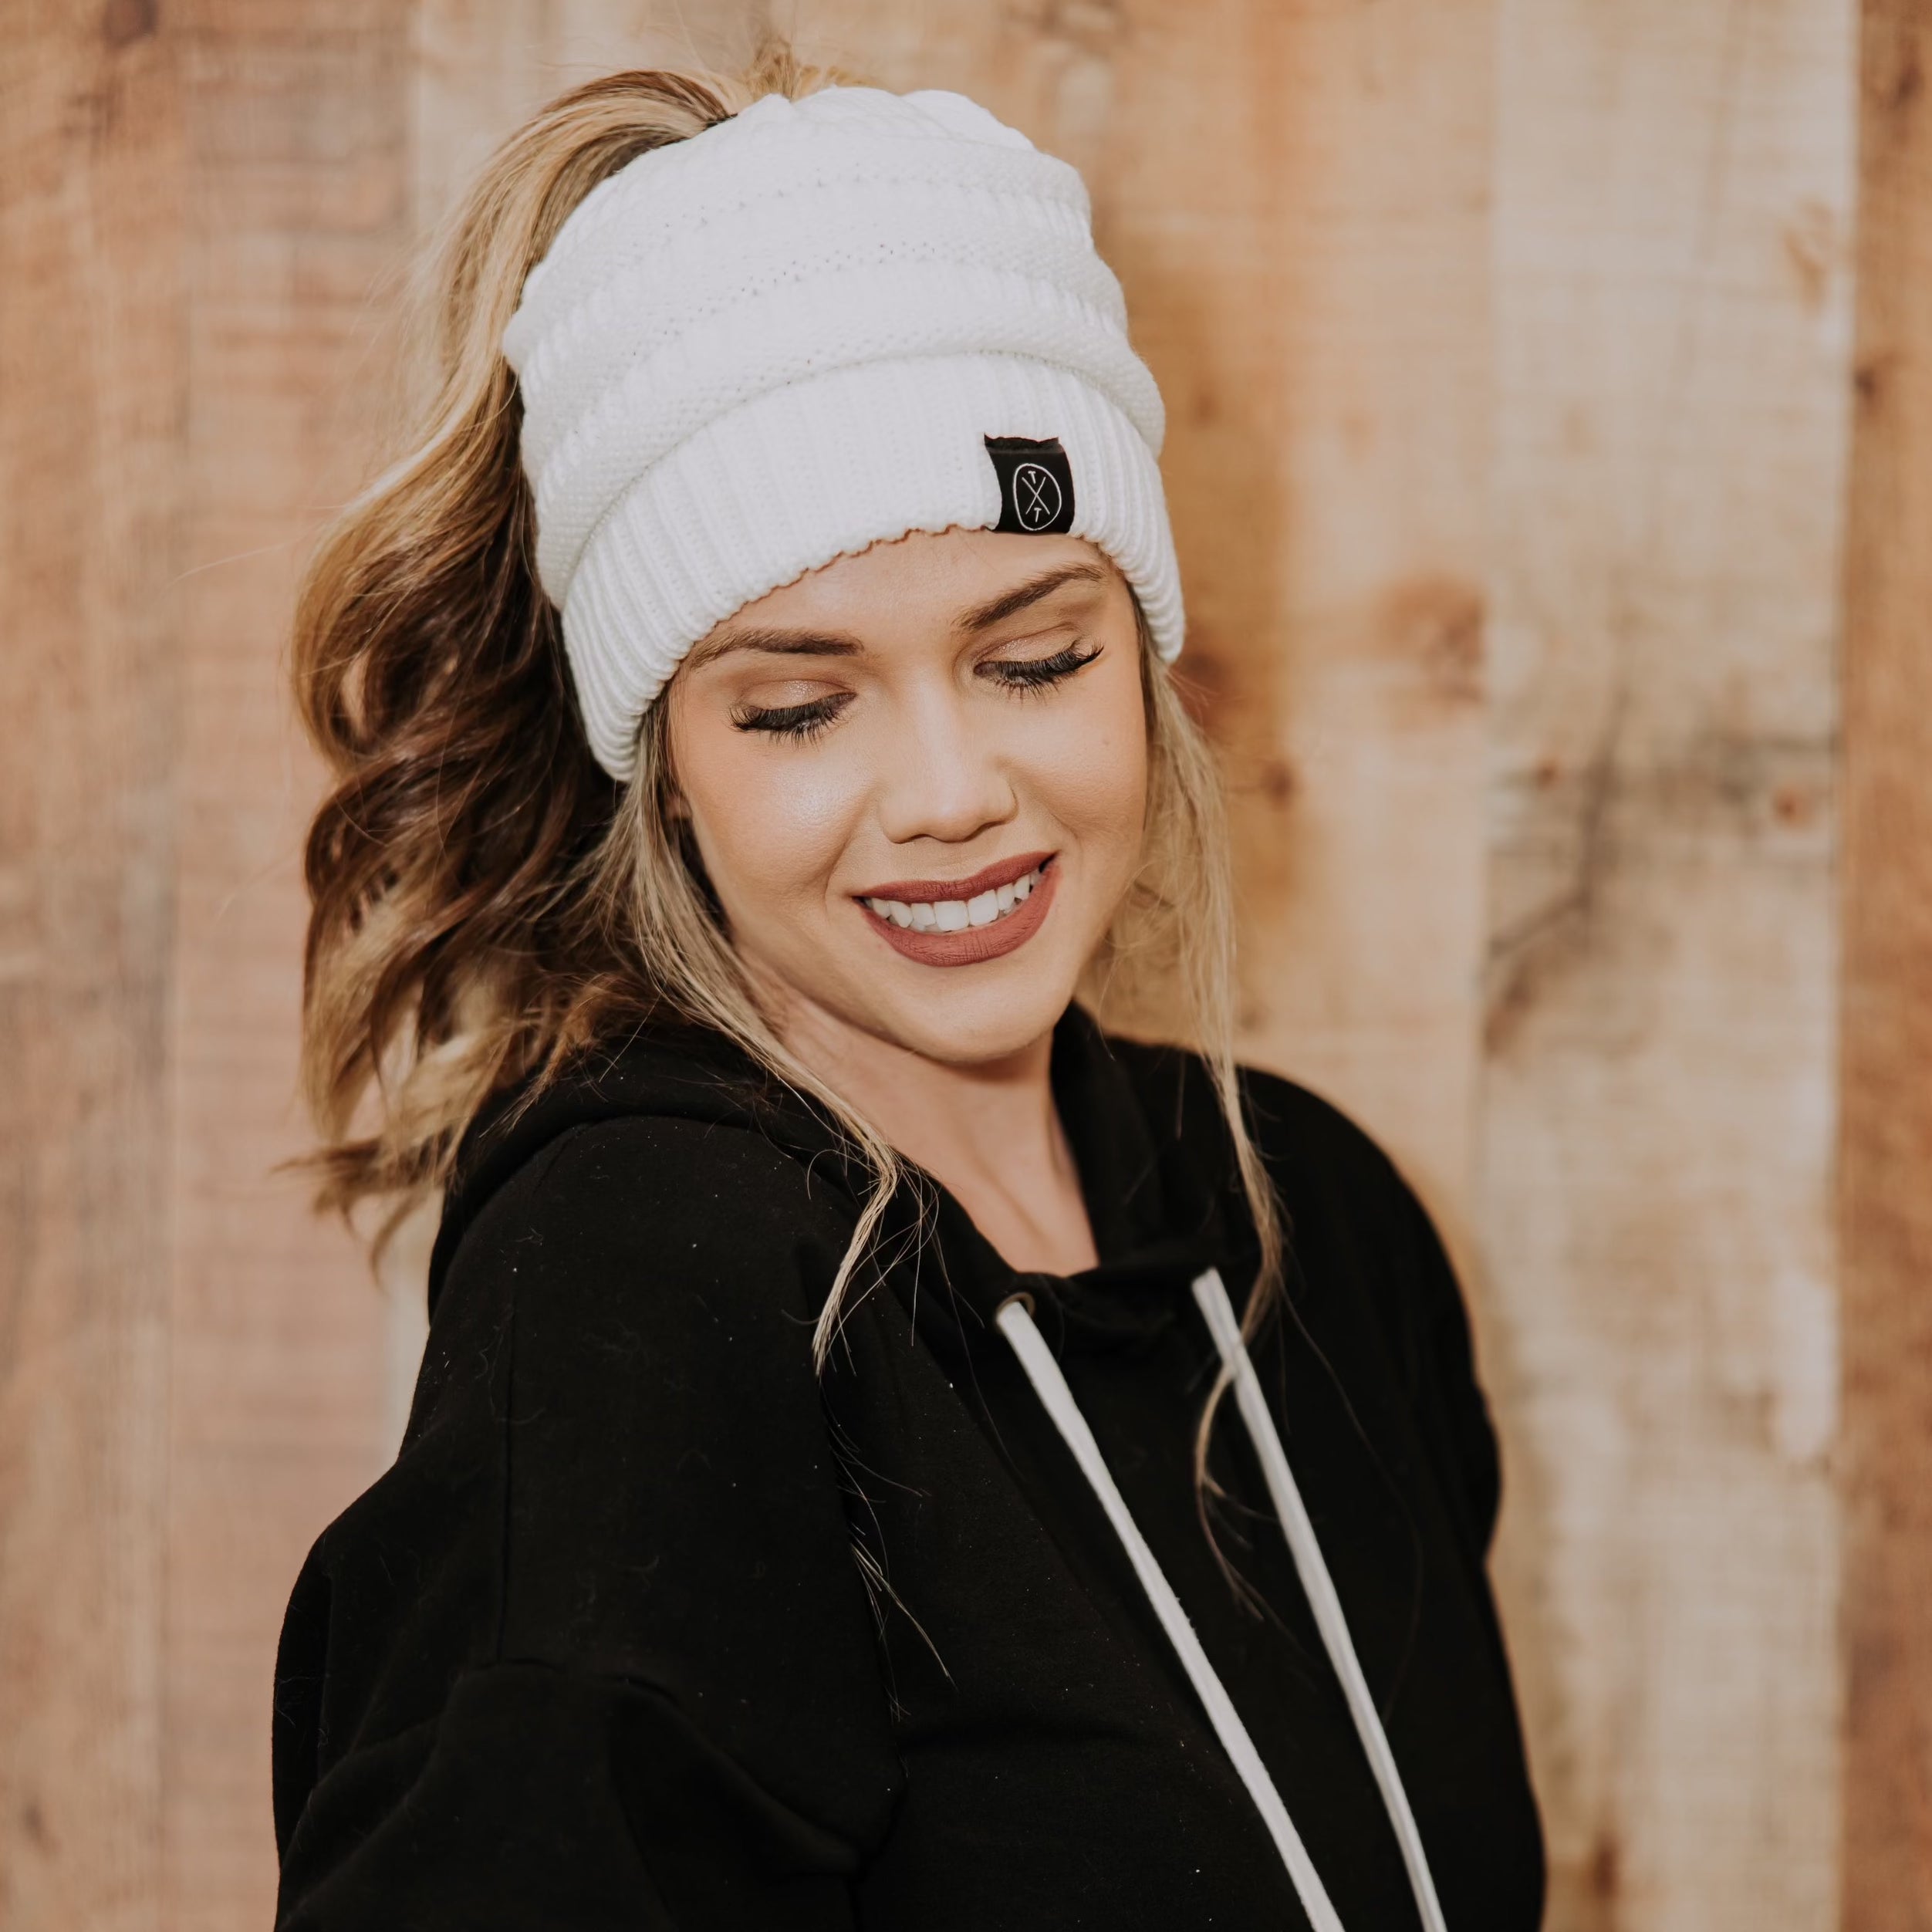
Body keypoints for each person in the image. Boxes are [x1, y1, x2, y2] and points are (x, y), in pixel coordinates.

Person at [270, 44, 1545, 1932]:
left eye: (1033, 657)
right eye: (798, 705)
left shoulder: (1317, 1227)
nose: (952, 795)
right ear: (668, 765)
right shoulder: (649, 1279)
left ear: (1143, 655)